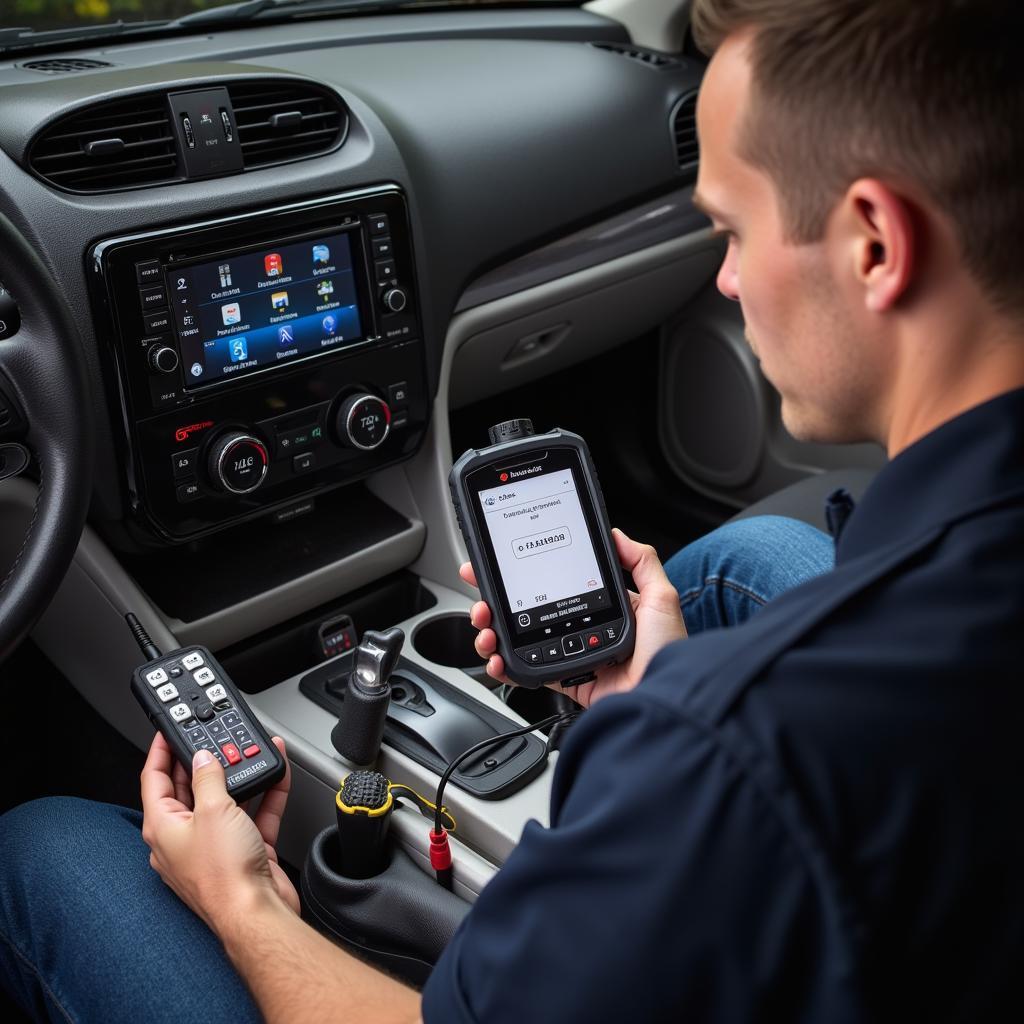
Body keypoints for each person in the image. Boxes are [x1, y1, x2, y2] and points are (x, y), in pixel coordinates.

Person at [2, 0, 1023, 1019]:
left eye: (731, 228)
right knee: (745, 552)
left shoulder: (737, 759)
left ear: (875, 244)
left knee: (44, 847)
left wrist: (245, 898)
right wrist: (652, 698)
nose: (724, 274)